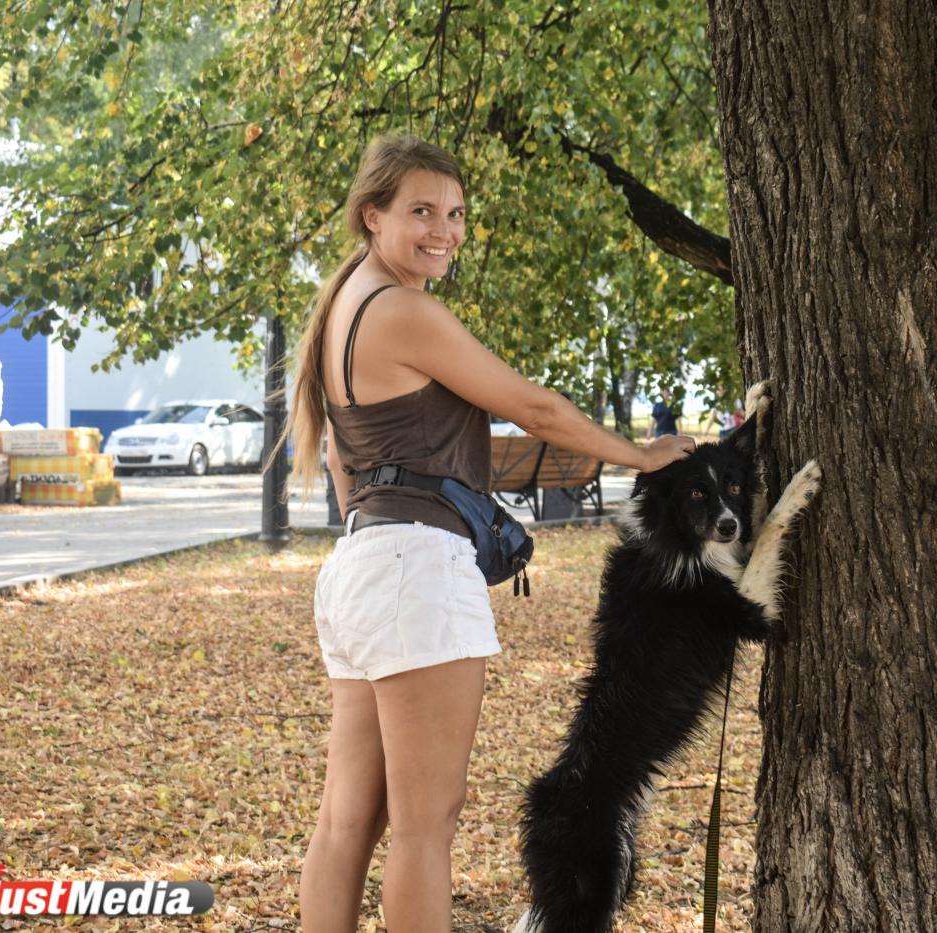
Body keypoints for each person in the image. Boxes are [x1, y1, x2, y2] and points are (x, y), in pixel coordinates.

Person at [280, 135, 696, 933]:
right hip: (410, 573)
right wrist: (640, 452)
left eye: (457, 213)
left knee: (347, 822)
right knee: (423, 826)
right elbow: (534, 408)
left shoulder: (344, 306)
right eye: (422, 212)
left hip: (361, 567)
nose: (444, 230)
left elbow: (341, 457)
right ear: (373, 216)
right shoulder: (404, 309)